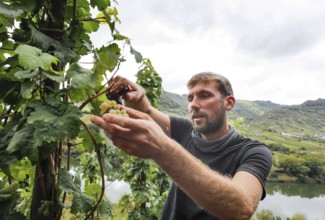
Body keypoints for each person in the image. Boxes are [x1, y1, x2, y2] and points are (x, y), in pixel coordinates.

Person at [91, 72, 272, 220]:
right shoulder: (185, 131)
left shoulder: (254, 152)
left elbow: (241, 208)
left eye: (204, 95)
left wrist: (163, 149)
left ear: (229, 103)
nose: (193, 104)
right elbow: (145, 111)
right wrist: (136, 93)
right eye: (190, 98)